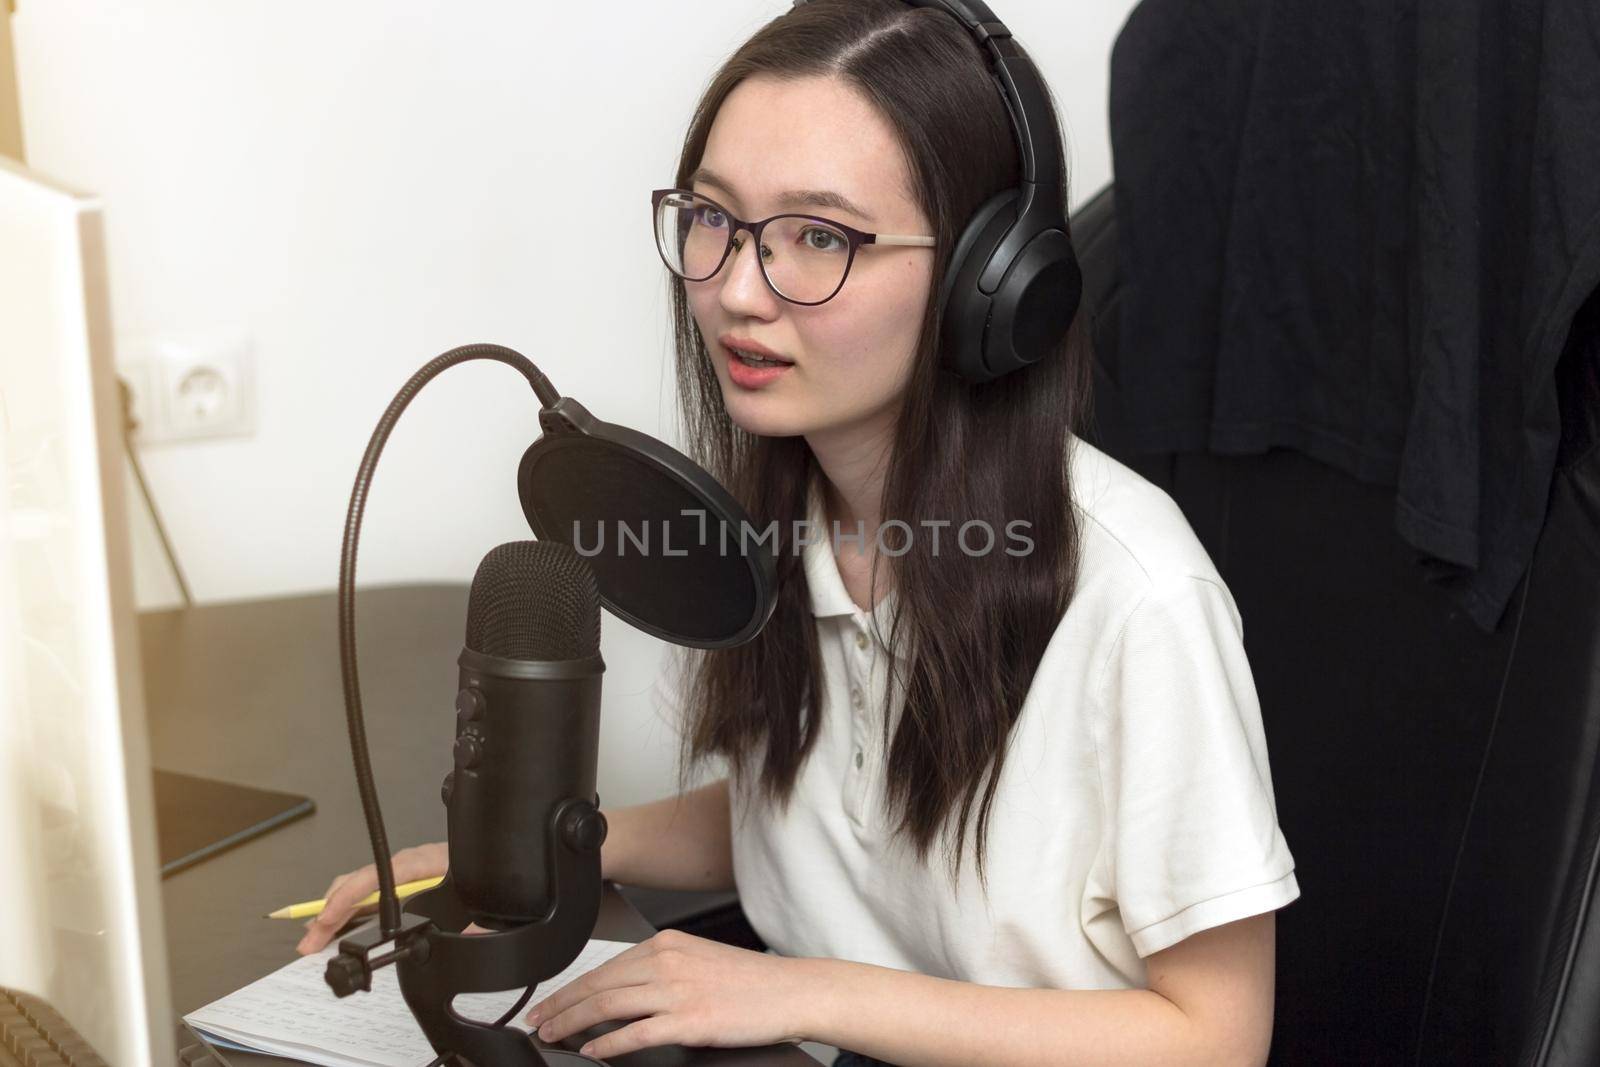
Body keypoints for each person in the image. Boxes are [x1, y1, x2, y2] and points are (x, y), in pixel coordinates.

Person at [298, 3, 1300, 1064]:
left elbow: (1216, 1036)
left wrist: (798, 991)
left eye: (817, 236)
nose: (732, 290)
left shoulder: (1138, 596)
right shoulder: (783, 527)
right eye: (712, 219)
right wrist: (523, 850)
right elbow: (816, 815)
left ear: (985, 282)